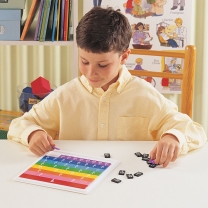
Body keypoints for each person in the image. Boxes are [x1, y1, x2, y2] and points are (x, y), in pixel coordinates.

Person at [8, 7, 207, 168]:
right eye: (84, 61)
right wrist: (33, 133)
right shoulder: (65, 96)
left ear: (125, 57)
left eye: (102, 65)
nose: (90, 73)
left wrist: (173, 137)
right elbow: (20, 124)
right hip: (78, 180)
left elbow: (194, 131)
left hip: (129, 184)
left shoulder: (145, 96)